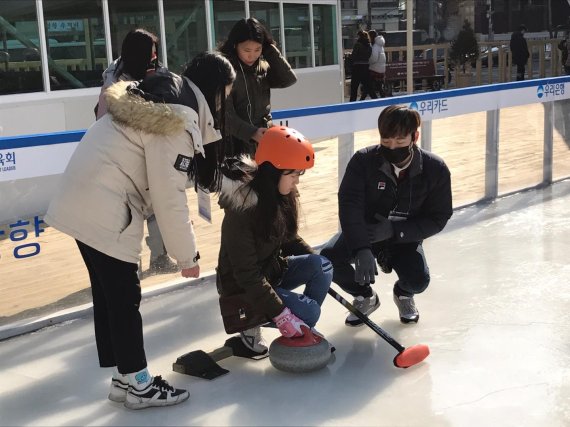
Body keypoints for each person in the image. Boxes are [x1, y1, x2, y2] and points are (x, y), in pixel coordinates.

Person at [45, 52, 236, 409]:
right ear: (212, 89)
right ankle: (140, 385)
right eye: (224, 94)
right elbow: (168, 195)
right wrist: (186, 255)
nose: (223, 102)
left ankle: (124, 378)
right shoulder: (176, 117)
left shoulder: (158, 94)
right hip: (105, 207)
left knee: (111, 297)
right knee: (124, 299)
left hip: (80, 200)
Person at [320, 105, 452, 326]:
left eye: (400, 142)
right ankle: (365, 296)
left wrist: (395, 230)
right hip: (366, 233)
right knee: (329, 260)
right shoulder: (363, 161)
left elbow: (439, 217)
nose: (392, 147)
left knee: (419, 280)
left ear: (414, 136)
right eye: (386, 141)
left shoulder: (435, 169)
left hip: (403, 238)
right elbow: (349, 204)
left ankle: (403, 294)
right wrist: (361, 246)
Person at [216, 126, 333, 353]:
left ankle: (300, 324)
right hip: (242, 288)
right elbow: (246, 274)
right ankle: (257, 322)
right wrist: (281, 314)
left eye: (300, 173)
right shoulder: (241, 211)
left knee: (323, 266)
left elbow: (287, 237)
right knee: (310, 312)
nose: (296, 182)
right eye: (293, 174)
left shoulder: (278, 194)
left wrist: (312, 258)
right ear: (273, 170)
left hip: (271, 271)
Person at [95, 28, 177, 274]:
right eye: (150, 53)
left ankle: (159, 258)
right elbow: (111, 118)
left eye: (155, 52)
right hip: (122, 155)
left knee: (156, 207)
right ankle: (131, 263)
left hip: (147, 152)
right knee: (128, 212)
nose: (154, 57)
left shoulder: (149, 71)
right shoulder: (116, 82)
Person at [219, 17, 297, 157]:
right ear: (235, 45)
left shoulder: (262, 68)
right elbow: (224, 114)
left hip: (264, 140)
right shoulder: (224, 71)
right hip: (233, 146)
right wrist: (252, 133)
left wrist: (270, 50)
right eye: (247, 50)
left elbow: (288, 79)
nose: (252, 55)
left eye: (258, 49)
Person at [349, 30, 377, 102]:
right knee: (369, 87)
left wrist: (349, 57)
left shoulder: (358, 44)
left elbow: (353, 56)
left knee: (354, 87)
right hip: (366, 67)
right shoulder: (369, 45)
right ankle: (376, 101)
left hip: (357, 67)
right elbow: (369, 56)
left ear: (359, 36)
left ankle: (352, 103)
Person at [368, 30, 387, 98]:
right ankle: (383, 99)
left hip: (375, 69)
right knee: (379, 87)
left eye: (368, 36)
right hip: (381, 69)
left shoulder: (375, 46)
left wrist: (368, 62)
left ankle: (375, 100)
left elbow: (374, 59)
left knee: (369, 86)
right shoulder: (380, 46)